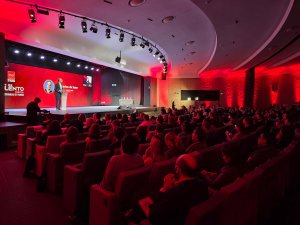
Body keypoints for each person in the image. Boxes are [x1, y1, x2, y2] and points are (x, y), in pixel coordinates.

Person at [138, 154, 208, 225]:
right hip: (183, 216)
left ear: (178, 170)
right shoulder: (203, 183)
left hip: (169, 220)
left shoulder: (173, 193)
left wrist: (164, 189)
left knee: (139, 201)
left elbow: (153, 216)